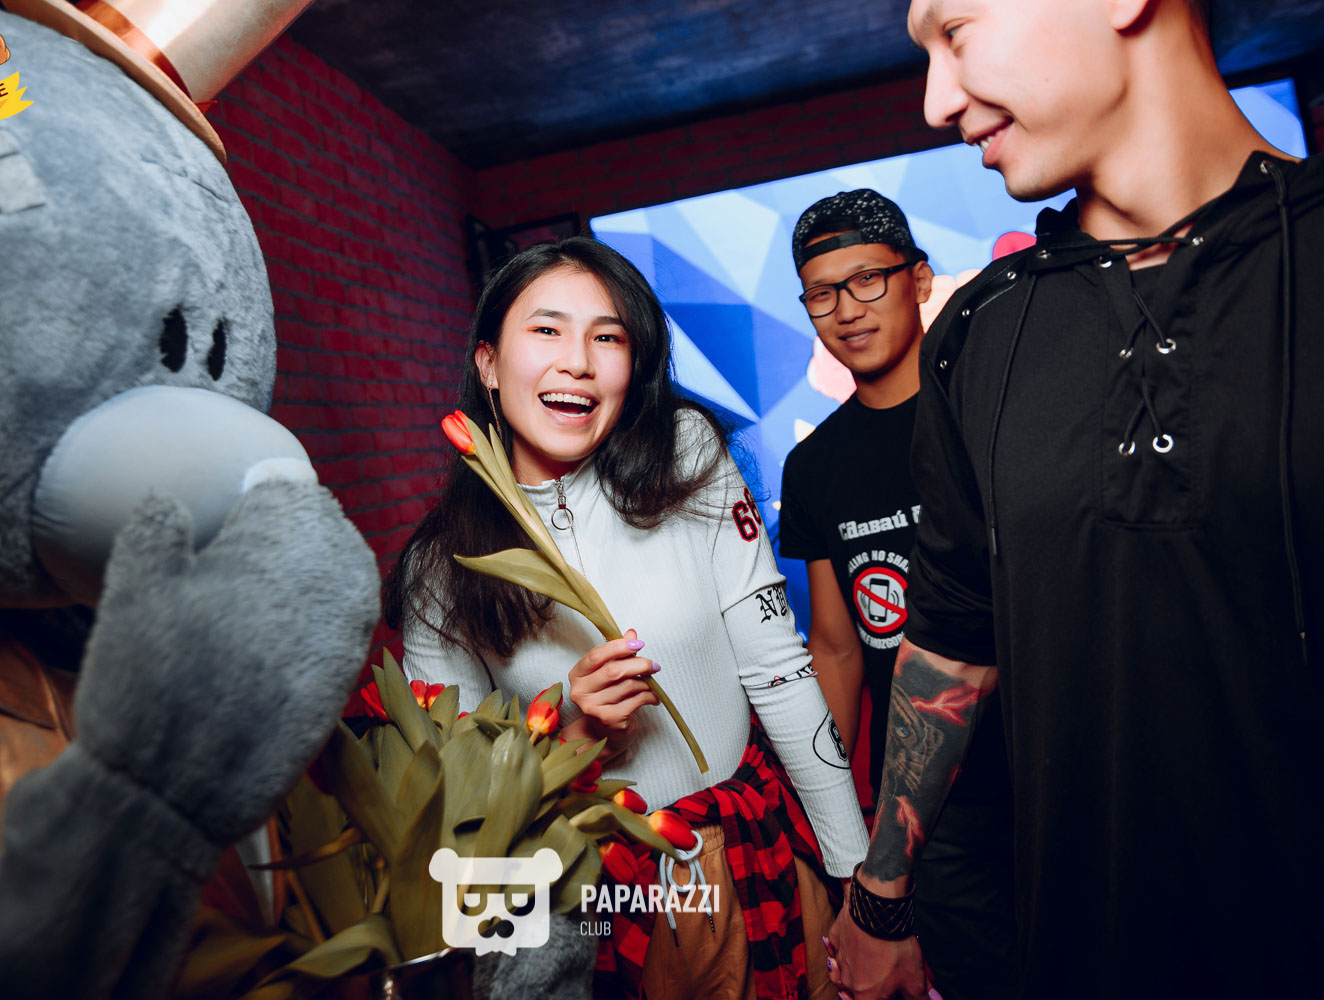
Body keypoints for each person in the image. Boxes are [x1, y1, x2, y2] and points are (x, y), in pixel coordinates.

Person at [828, 1, 1323, 998]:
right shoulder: (980, 332)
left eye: (955, 32)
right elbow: (953, 639)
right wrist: (883, 893)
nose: (935, 100)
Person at [386, 237, 869, 998]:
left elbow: (779, 670)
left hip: (747, 856)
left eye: (607, 337)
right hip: (591, 898)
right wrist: (572, 734)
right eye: (547, 330)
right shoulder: (441, 567)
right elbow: (457, 811)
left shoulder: (685, 455)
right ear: (487, 363)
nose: (578, 361)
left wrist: (863, 884)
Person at [779, 189, 1013, 1000]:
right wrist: (831, 820)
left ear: (918, 281)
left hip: (1051, 773)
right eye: (822, 293)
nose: (846, 309)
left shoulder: (993, 417)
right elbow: (837, 647)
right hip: (930, 816)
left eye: (867, 280)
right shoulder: (814, 466)